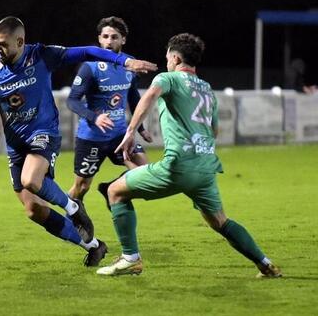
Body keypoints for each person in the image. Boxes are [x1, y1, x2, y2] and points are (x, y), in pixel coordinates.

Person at [0, 16, 157, 267]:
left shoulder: (41, 55)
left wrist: (125, 60)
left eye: (3, 44)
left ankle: (73, 208)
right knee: (33, 210)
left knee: (31, 180)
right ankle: (93, 245)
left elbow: (87, 51)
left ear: (20, 41)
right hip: (15, 142)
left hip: (43, 132)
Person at [95, 33, 282, 278]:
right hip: (205, 167)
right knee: (220, 221)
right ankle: (265, 264)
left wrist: (130, 132)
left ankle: (130, 258)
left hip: (178, 165)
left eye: (167, 59)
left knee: (114, 191)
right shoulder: (207, 90)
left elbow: (150, 95)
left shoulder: (168, 78)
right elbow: (213, 131)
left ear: (175, 57)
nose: (166, 63)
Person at [66, 16, 153, 203]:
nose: (109, 41)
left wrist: (140, 128)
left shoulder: (130, 64)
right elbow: (72, 101)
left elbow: (132, 96)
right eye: (105, 36)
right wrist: (94, 117)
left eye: (114, 37)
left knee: (146, 174)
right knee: (81, 187)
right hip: (91, 137)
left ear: (123, 40)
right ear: (99, 39)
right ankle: (69, 213)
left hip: (119, 135)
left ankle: (109, 189)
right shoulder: (90, 67)